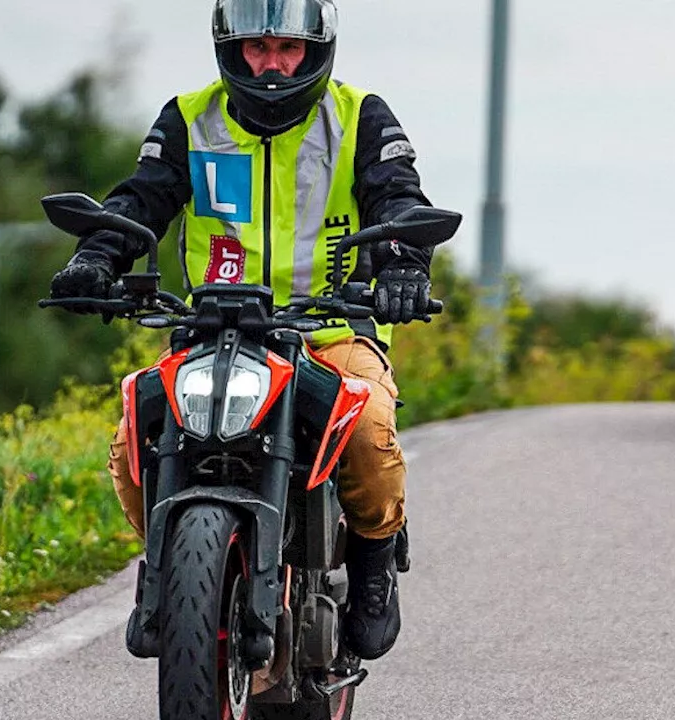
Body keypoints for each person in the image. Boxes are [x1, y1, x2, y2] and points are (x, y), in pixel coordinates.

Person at [48, 0, 438, 662]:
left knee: (370, 425)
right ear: (230, 49)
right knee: (133, 431)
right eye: (257, 48)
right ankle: (168, 563)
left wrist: (403, 267)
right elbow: (140, 199)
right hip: (214, 327)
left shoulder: (358, 115)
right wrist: (94, 257)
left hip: (328, 327)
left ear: (317, 51)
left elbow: (399, 199)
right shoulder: (189, 118)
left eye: (288, 49)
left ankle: (373, 571)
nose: (273, 65)